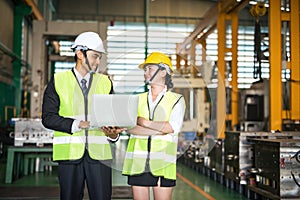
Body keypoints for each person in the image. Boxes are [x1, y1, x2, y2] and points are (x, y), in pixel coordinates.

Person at [42, 31, 123, 200]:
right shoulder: (58, 81)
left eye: (99, 57)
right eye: (94, 56)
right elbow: (48, 118)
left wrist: (114, 134)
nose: (97, 62)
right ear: (80, 54)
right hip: (69, 156)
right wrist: (79, 124)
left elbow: (112, 120)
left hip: (100, 156)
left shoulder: (105, 82)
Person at [122, 52, 186, 200]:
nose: (145, 73)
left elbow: (172, 127)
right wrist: (160, 129)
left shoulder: (176, 100)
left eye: (149, 69)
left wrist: (144, 122)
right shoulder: (136, 99)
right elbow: (131, 128)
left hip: (163, 163)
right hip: (138, 163)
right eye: (145, 70)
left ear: (163, 72)